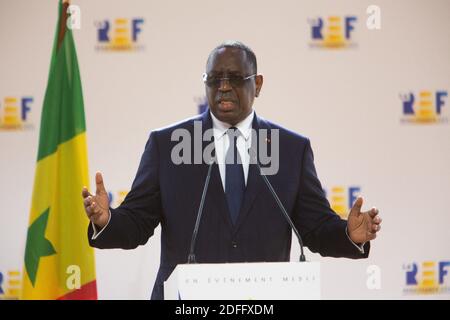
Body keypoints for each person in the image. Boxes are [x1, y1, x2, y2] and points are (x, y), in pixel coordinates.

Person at [82, 41, 382, 300]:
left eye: (235, 78)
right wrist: (108, 221)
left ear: (258, 84)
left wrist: (349, 235)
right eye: (214, 79)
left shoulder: (290, 149)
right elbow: (137, 223)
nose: (223, 87)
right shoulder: (168, 145)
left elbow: (315, 229)